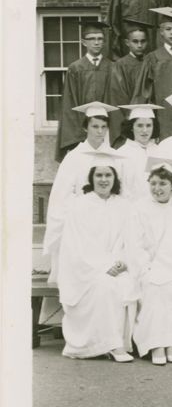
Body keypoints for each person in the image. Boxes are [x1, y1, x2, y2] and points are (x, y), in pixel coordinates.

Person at [55, 151, 137, 362]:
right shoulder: (79, 206)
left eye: (108, 175)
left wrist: (123, 261)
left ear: (115, 178)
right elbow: (76, 247)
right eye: (99, 175)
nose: (103, 180)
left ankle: (123, 342)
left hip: (118, 267)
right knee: (106, 285)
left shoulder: (124, 205)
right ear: (91, 178)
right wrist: (105, 266)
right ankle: (111, 346)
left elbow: (131, 240)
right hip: (85, 271)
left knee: (128, 282)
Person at [43, 102, 119, 303]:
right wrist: (83, 209)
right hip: (81, 222)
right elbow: (61, 196)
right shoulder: (74, 157)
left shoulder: (113, 156)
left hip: (108, 219)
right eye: (95, 126)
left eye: (104, 127)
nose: (99, 132)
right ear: (86, 127)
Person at [130, 157, 172, 365]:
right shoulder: (139, 208)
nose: (157, 188)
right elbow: (134, 243)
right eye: (153, 183)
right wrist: (147, 265)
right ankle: (155, 344)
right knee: (154, 286)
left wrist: (169, 264)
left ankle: (171, 342)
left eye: (163, 184)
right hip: (146, 266)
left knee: (171, 287)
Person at [132, 6, 172, 137]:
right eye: (168, 29)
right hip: (161, 115)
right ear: (161, 32)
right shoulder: (152, 57)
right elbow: (144, 92)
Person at [55, 18, 114, 160]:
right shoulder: (75, 68)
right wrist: (78, 133)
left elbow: (115, 100)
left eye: (100, 38)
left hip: (107, 129)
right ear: (83, 42)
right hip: (82, 131)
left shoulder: (112, 67)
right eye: (92, 38)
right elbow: (69, 104)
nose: (96, 42)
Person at [107, 18, 153, 144]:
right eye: (135, 41)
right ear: (127, 42)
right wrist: (129, 125)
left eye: (143, 41)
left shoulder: (152, 62)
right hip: (129, 124)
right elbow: (118, 98)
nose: (139, 45)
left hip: (148, 124)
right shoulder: (120, 65)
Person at [116, 103, 163, 199]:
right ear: (131, 128)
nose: (145, 130)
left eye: (149, 125)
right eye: (140, 125)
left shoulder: (161, 151)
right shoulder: (121, 154)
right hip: (131, 208)